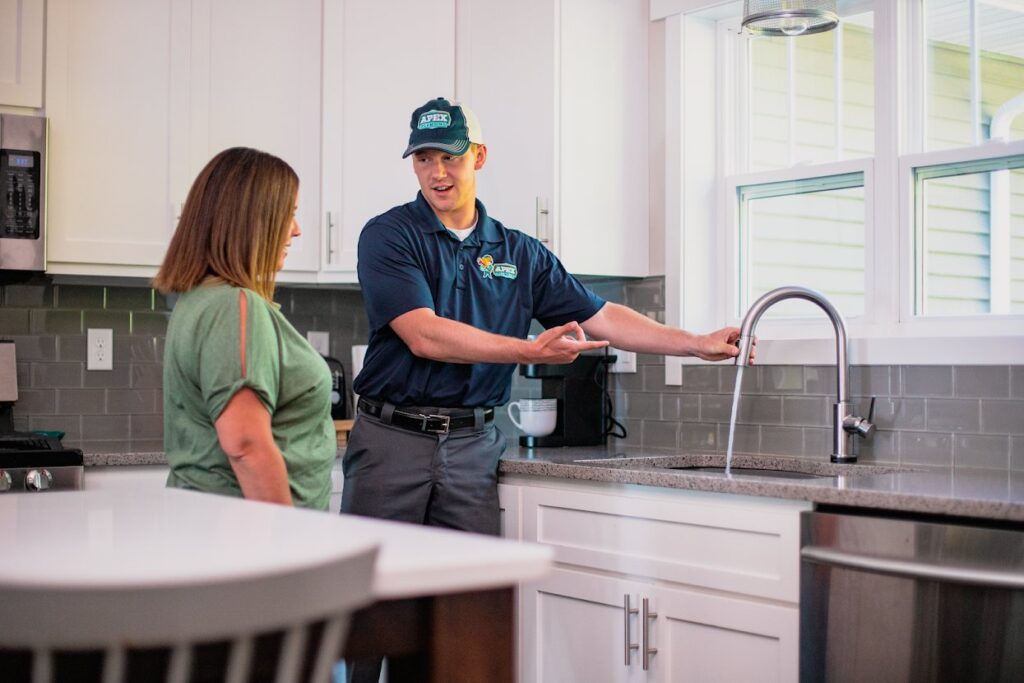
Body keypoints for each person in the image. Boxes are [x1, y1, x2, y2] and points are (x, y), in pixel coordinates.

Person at [154, 147, 335, 509]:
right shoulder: (235, 306)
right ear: (253, 220)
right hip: (248, 537)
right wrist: (282, 541)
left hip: (213, 526)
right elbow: (246, 446)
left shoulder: (198, 300)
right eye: (289, 214)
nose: (296, 230)